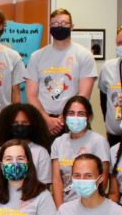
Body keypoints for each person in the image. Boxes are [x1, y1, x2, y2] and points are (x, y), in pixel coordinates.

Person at [25, 8, 97, 136]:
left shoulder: (84, 55)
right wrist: (46, 119)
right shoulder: (37, 56)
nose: (59, 26)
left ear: (72, 26)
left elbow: (84, 95)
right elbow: (31, 95)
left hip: (74, 120)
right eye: (55, 24)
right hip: (43, 121)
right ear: (50, 27)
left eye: (64, 23)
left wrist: (63, 119)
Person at [50, 96, 111, 206]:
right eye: (71, 113)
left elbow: (103, 181)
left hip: (91, 204)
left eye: (81, 114)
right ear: (64, 117)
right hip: (66, 205)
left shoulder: (98, 141)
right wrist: (61, 209)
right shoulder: (58, 142)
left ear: (88, 117)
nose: (76, 117)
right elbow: (57, 180)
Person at [0, 103, 54, 185]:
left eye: (24, 123)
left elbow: (44, 185)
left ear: (33, 125)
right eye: (15, 123)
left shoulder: (41, 152)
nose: (20, 126)